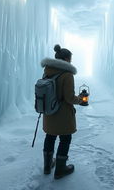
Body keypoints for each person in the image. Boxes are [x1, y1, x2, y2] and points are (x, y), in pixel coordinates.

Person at [40, 44, 82, 179]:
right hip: (62, 114)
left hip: (49, 112)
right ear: (66, 59)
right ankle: (60, 169)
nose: (71, 62)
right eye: (70, 59)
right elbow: (69, 98)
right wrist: (80, 99)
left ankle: (47, 166)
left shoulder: (47, 71)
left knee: (50, 136)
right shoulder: (67, 75)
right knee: (65, 138)